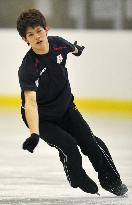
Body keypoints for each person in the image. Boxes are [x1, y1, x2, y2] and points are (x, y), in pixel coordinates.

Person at [17, 9, 128, 196]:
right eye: (30, 34)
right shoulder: (28, 68)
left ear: (46, 29)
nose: (36, 36)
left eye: (38, 31)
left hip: (66, 108)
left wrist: (78, 50)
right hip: (42, 118)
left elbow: (73, 49)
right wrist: (34, 134)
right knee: (69, 146)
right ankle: (76, 177)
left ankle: (112, 182)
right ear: (25, 40)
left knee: (91, 143)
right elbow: (30, 102)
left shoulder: (59, 44)